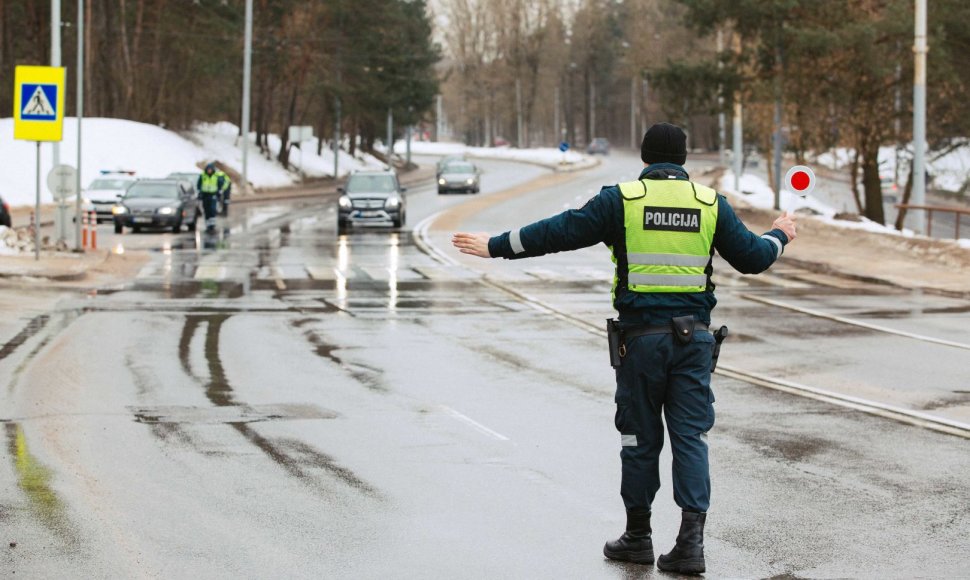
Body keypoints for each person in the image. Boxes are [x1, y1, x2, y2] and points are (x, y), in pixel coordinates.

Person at [452, 122, 797, 574]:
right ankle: (690, 545)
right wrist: (780, 234)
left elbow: (561, 231)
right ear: (684, 159)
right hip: (693, 342)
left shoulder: (622, 200)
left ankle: (638, 537)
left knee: (639, 440)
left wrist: (497, 246)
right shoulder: (711, 204)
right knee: (690, 438)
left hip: (641, 344)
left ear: (645, 157)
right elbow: (753, 257)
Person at [197, 163, 231, 230]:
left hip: (213, 194)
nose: (209, 171)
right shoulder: (203, 175)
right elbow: (199, 185)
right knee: (206, 209)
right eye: (208, 169)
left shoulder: (216, 176)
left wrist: (219, 191)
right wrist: (200, 192)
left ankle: (212, 224)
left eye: (210, 169)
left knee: (212, 209)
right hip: (205, 195)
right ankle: (207, 223)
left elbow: (221, 184)